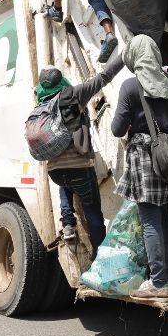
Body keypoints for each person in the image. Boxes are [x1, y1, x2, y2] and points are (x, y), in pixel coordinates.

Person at [112, 35, 168, 300]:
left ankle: (158, 283)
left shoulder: (130, 86)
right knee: (163, 219)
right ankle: (166, 279)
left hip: (144, 158)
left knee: (150, 221)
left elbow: (117, 129)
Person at [37, 52, 125, 258]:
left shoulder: (41, 105)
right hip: (79, 169)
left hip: (55, 171)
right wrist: (124, 56)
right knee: (94, 215)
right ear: (60, 79)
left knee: (65, 183)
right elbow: (103, 78)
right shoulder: (73, 95)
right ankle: (100, 259)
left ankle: (68, 223)